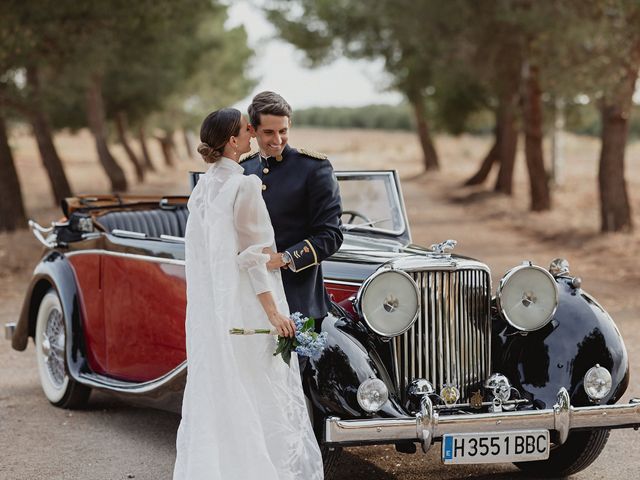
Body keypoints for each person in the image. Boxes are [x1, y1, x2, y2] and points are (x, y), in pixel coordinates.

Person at [173, 108, 324, 480]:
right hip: (251, 309)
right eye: (247, 131)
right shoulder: (243, 185)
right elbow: (253, 259)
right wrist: (274, 314)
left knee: (227, 395)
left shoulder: (204, 188)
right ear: (232, 142)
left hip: (217, 313)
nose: (253, 136)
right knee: (262, 395)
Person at [241, 91, 343, 333]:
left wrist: (285, 258)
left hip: (299, 302)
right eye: (269, 132)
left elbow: (331, 235)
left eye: (283, 131)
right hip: (249, 299)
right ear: (252, 130)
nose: (277, 139)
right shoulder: (243, 169)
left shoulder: (314, 168)